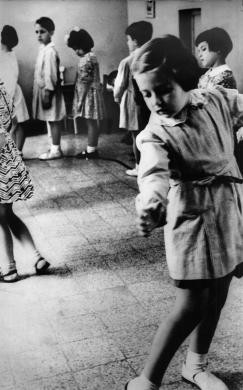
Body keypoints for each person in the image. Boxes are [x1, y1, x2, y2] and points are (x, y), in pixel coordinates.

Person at [125, 36, 243, 390]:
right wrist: (150, 203)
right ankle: (146, 380)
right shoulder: (154, 133)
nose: (155, 101)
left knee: (220, 291)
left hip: (227, 208)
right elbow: (153, 175)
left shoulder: (217, 100)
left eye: (163, 89)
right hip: (191, 218)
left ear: (185, 80)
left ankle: (196, 365)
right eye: (146, 94)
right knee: (192, 304)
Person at [0, 79, 50, 282]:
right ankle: (37, 258)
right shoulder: (1, 87)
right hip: (7, 157)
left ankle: (9, 268)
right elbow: (10, 122)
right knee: (6, 213)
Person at [114, 21, 152, 176]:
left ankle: (139, 166)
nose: (127, 42)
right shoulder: (151, 56)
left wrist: (117, 98)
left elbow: (119, 85)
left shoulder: (127, 61)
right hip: (149, 100)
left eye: (128, 39)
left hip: (133, 101)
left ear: (135, 41)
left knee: (136, 135)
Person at [66, 28, 105, 159]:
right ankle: (92, 148)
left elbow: (84, 82)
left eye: (77, 48)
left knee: (91, 123)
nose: (76, 52)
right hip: (93, 92)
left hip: (88, 95)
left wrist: (80, 101)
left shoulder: (85, 60)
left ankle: (91, 150)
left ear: (82, 46)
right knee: (93, 122)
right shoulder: (92, 56)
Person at [32, 17, 66, 160]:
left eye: (43, 32)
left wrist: (48, 93)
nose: (39, 35)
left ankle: (56, 150)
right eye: (37, 32)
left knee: (53, 119)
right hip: (43, 89)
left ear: (51, 32)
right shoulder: (43, 49)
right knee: (50, 120)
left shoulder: (50, 51)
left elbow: (51, 74)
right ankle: (54, 146)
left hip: (49, 91)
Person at [0, 25, 29, 155]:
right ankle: (15, 152)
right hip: (9, 94)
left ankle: (16, 153)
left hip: (11, 95)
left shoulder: (7, 57)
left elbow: (10, 80)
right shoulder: (7, 55)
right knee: (15, 125)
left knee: (15, 125)